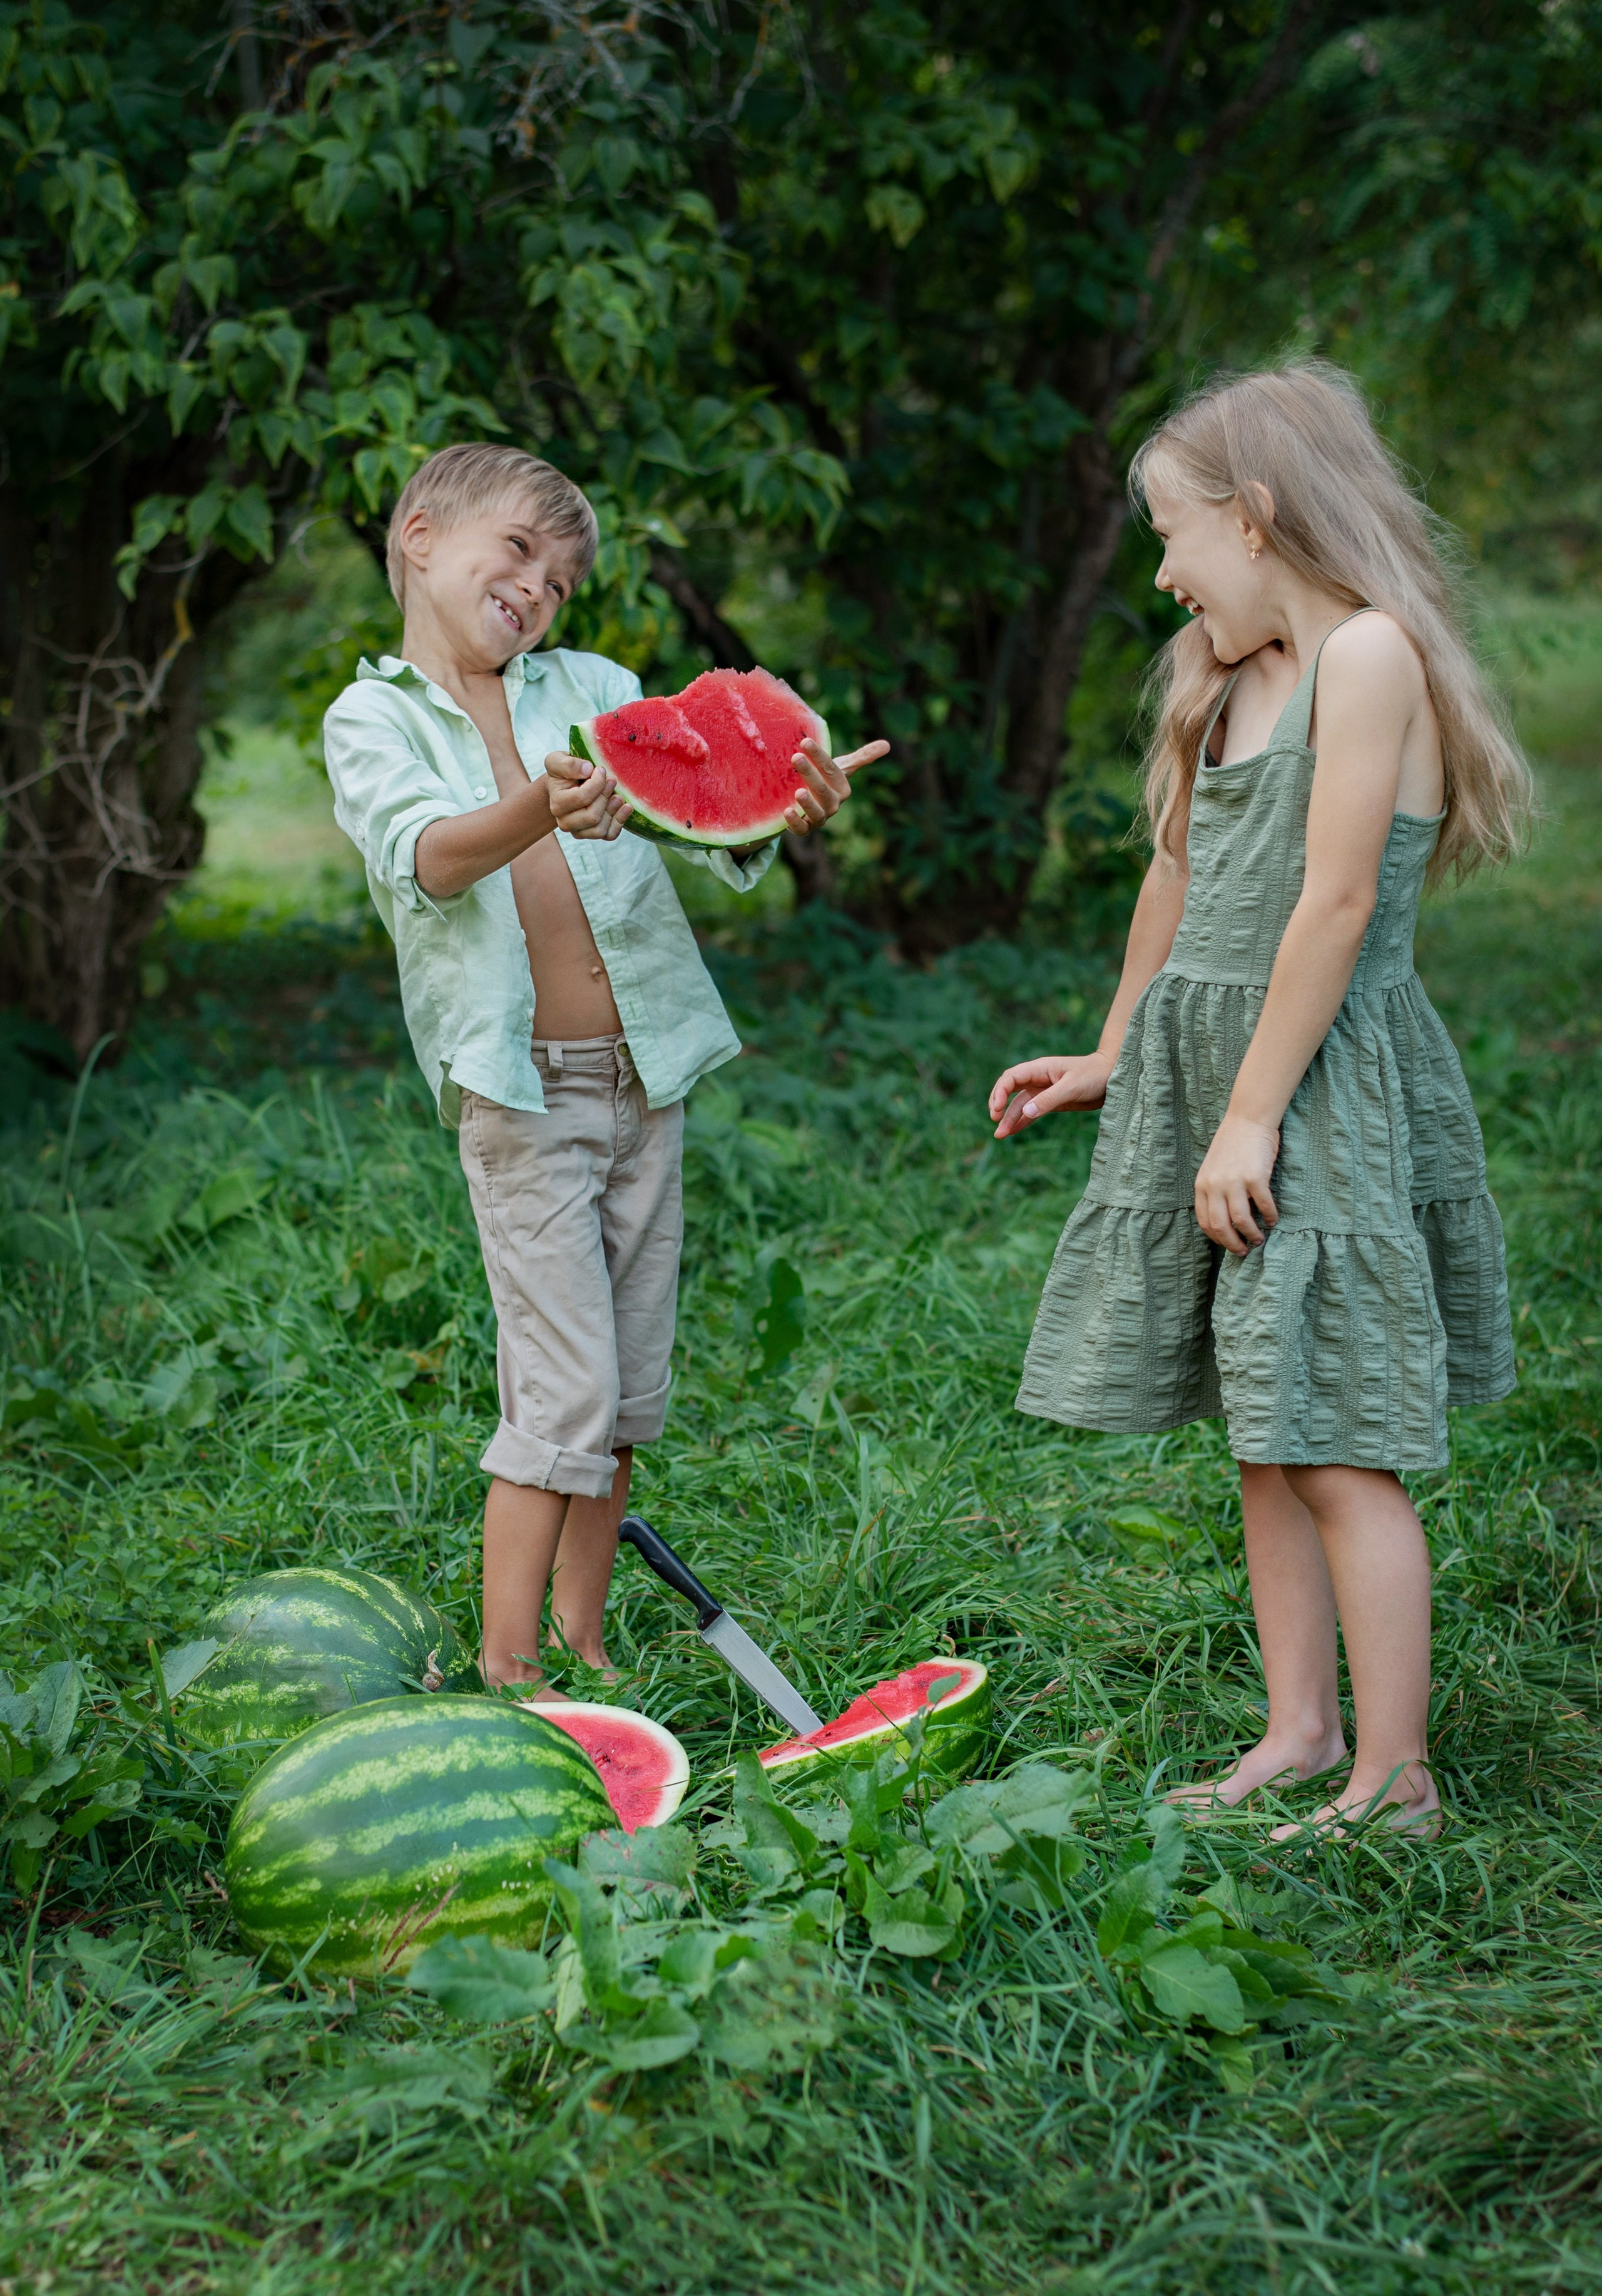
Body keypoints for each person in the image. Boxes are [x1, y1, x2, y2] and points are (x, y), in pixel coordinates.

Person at [989, 364, 1531, 1838]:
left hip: (1317, 1081)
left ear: (1256, 515)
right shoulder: (1225, 676)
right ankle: (1301, 1730)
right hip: (1214, 1070)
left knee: (1338, 1438)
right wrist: (1112, 1050)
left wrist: (1249, 1115)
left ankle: (1395, 1774)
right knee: (1263, 1426)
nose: (1158, 573)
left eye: (1169, 534)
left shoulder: (1366, 657)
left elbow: (1335, 902)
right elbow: (1176, 874)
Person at [324, 443, 886, 1687]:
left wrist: (771, 816)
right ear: (420, 537)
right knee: (563, 1391)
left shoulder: (591, 682)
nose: (538, 587)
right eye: (516, 550)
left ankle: (582, 1639)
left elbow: (695, 811)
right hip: (519, 1093)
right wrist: (544, 798)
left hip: (646, 1077)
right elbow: (428, 859)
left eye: (562, 579)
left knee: (627, 1392)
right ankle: (507, 1667)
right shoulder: (370, 717)